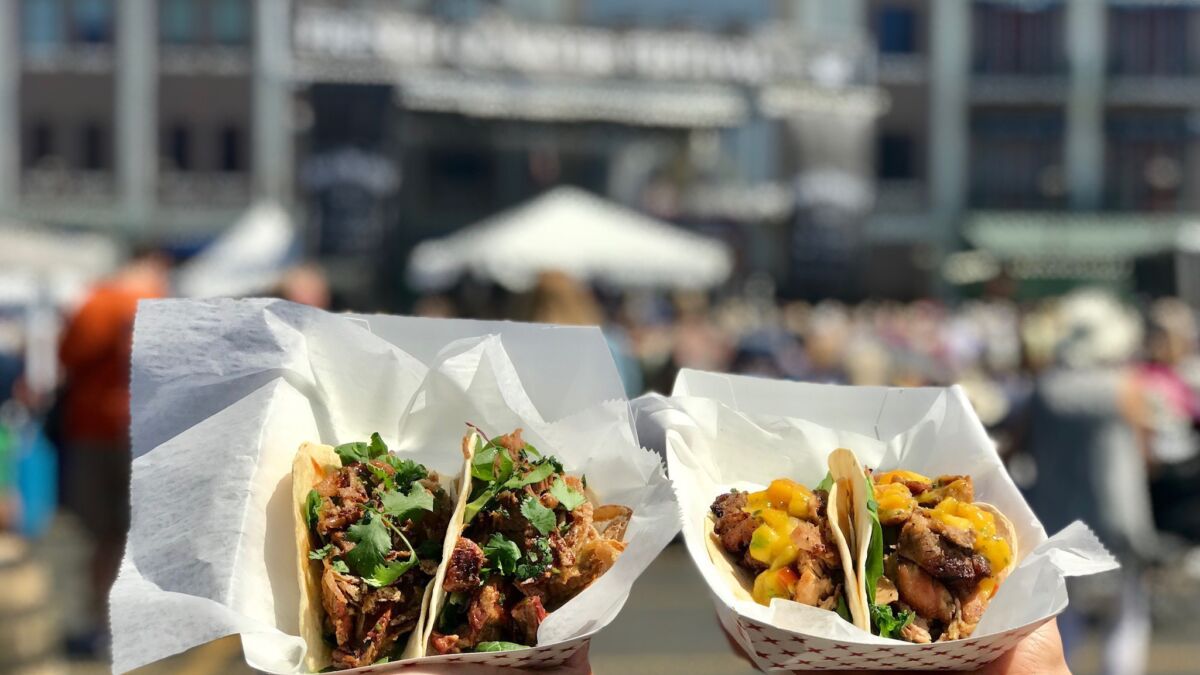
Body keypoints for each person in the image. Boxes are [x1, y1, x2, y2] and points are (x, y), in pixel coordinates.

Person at [58, 248, 170, 655]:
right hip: (143, 429)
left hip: (94, 432)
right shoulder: (160, 299)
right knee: (135, 534)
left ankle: (103, 623)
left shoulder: (97, 301)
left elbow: (66, 355)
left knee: (101, 535)